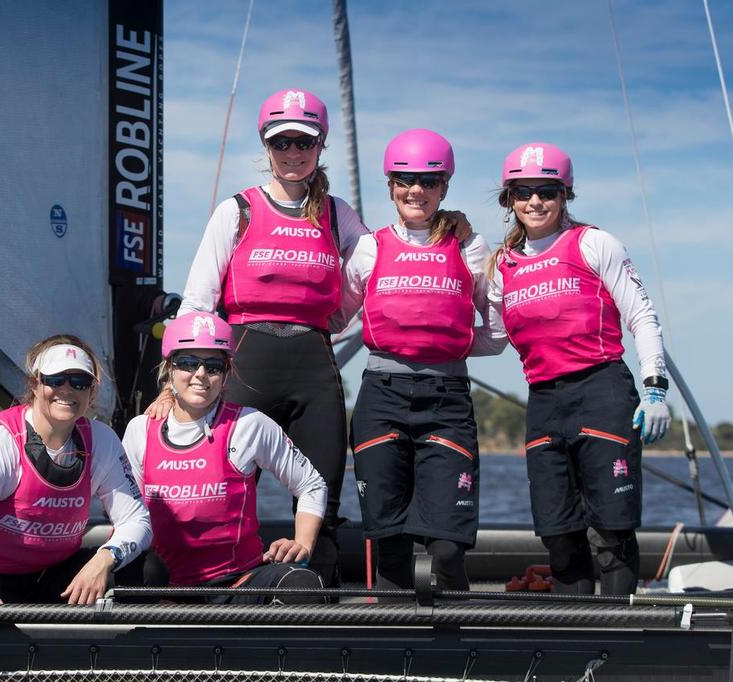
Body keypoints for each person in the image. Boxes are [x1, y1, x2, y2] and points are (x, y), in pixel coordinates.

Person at [148, 87, 369, 586]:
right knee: (212, 492)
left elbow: (374, 266)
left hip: (313, 366)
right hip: (246, 363)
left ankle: (320, 616)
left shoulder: (337, 215)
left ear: (320, 147)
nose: (293, 153)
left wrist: (451, 232)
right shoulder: (237, 211)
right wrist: (170, 384)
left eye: (304, 143)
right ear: (266, 148)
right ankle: (191, 606)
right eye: (281, 142)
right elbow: (199, 303)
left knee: (323, 502)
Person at [488, 142, 671, 595]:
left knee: (610, 530)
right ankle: (574, 636)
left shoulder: (594, 243)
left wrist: (655, 390)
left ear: (565, 193)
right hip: (544, 401)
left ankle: (618, 639)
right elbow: (489, 338)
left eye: (547, 191)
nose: (535, 201)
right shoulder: (503, 265)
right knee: (559, 533)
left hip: (602, 391)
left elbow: (642, 316)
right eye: (523, 191)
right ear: (509, 198)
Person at [341, 129, 506, 593]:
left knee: (448, 544)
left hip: (447, 399)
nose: (415, 190)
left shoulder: (470, 246)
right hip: (381, 397)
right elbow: (335, 316)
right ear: (390, 185)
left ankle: (452, 647)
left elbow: (495, 336)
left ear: (444, 188)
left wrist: (441, 341)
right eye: (404, 180)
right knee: (389, 539)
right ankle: (392, 648)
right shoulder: (368, 249)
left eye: (428, 181)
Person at [0, 335, 152, 625]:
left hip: (45, 572)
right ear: (35, 384)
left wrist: (104, 559)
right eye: (55, 380)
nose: (67, 390)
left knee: (146, 571)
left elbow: (137, 521)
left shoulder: (102, 441)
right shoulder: (0, 442)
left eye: (80, 382)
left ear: (91, 394)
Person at [123, 311, 328, 603]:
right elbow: (125, 514)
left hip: (237, 583)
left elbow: (312, 485)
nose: (200, 375)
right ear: (169, 369)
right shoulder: (140, 429)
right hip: (164, 584)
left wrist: (302, 544)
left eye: (213, 366)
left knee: (302, 586)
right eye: (188, 363)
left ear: (227, 371)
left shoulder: (250, 424)